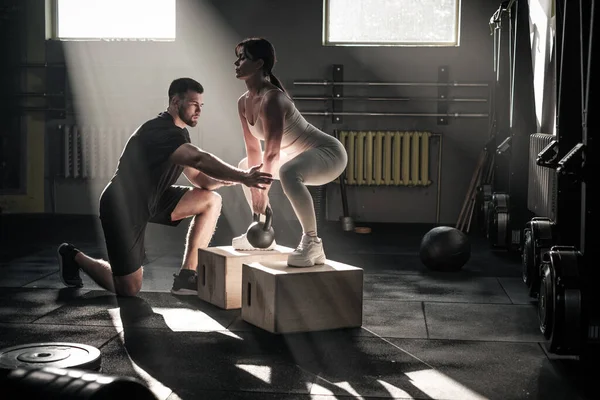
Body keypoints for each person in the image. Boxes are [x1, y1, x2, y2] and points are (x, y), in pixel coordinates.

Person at [57, 77, 273, 297]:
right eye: (193, 104)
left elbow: (199, 178)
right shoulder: (160, 131)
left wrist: (236, 179)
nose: (199, 110)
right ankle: (73, 256)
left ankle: (186, 277)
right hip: (123, 205)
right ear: (175, 101)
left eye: (201, 105)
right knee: (129, 288)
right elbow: (199, 159)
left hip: (155, 198)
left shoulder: (180, 133)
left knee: (210, 200)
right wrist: (243, 175)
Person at [231, 37, 348, 267]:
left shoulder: (273, 98)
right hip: (297, 157)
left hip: (329, 154)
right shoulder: (243, 102)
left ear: (258, 64)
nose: (237, 63)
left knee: (287, 171)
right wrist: (255, 188)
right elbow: (254, 148)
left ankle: (313, 243)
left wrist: (262, 192)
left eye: (243, 58)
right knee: (246, 166)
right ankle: (263, 233)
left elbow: (272, 153)